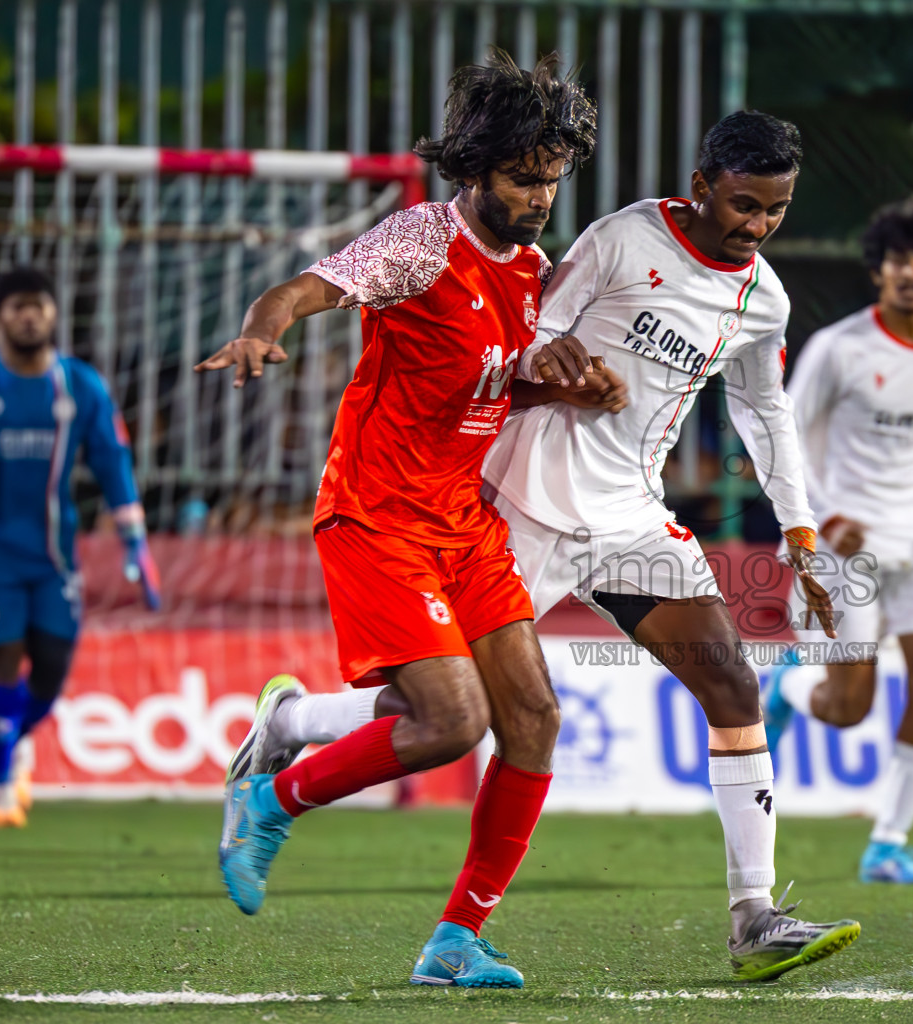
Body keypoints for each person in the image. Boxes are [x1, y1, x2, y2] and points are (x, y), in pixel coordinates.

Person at [246, 110, 862, 982]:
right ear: (700, 187)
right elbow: (526, 330)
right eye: (741, 204)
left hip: (630, 520)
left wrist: (798, 527)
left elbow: (765, 410)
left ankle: (753, 916)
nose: (754, 225)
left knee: (731, 683)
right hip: (523, 505)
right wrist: (566, 364)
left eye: (775, 210)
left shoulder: (763, 300)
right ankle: (293, 722)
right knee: (450, 713)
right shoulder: (622, 239)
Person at [198, 53, 601, 990]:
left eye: (551, 178)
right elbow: (305, 288)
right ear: (474, 170)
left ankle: (455, 939)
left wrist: (567, 385)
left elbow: (491, 383)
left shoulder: (533, 269)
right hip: (377, 516)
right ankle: (273, 797)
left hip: (464, 523)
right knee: (452, 722)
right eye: (522, 178)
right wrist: (266, 329)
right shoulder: (421, 242)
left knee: (534, 718)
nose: (540, 196)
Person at [758, 196, 913, 886]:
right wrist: (824, 516)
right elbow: (782, 437)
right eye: (898, 259)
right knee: (848, 707)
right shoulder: (840, 348)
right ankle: (789, 686)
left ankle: (887, 845)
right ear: (878, 269)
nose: (910, 273)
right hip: (845, 549)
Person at [0, 266, 160, 828]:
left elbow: (111, 461)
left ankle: (10, 737)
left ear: (54, 314)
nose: (29, 315)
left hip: (53, 560)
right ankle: (0, 782)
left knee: (49, 674)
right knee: (1, 661)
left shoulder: (77, 385)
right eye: (18, 306)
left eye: (38, 305)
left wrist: (135, 541)